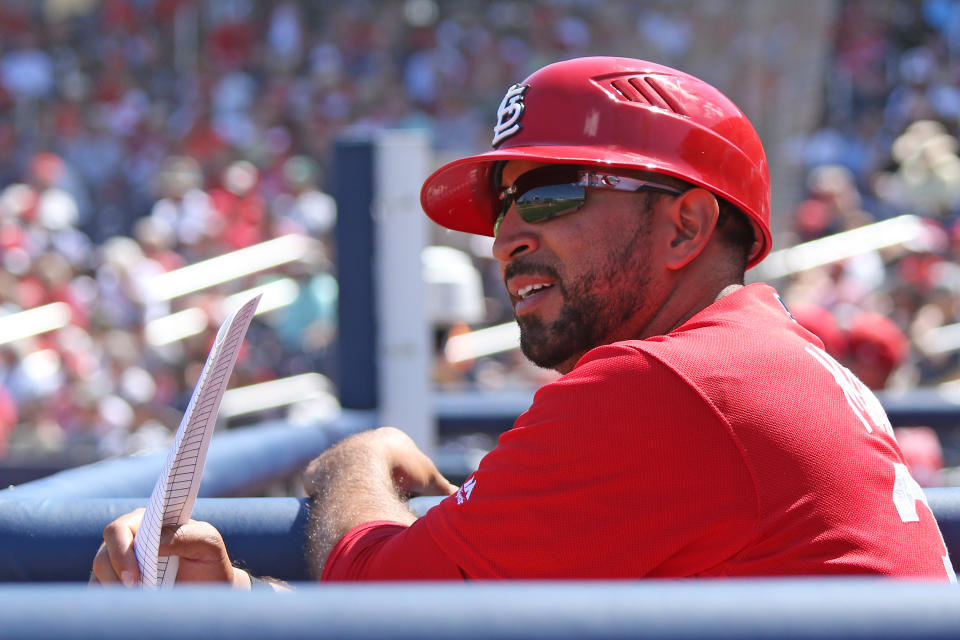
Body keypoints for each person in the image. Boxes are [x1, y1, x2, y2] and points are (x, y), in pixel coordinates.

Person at [91, 57, 956, 586]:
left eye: (551, 192)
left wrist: (353, 464)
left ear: (687, 225)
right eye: (503, 209)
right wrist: (243, 601)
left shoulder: (674, 383)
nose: (508, 236)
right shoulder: (751, 358)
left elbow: (382, 605)